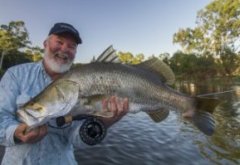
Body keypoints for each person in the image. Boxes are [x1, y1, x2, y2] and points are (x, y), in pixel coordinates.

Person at [0, 22, 129, 165]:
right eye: (59, 42)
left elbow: (77, 140)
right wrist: (15, 133)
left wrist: (104, 122)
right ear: (45, 43)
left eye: (71, 46)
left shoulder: (81, 83)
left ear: (75, 52)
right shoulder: (16, 75)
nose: (64, 49)